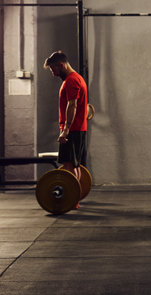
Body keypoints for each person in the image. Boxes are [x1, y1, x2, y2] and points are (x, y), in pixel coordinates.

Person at [44, 51, 88, 208]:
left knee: (69, 165)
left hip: (72, 130)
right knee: (74, 165)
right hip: (76, 129)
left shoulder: (71, 80)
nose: (53, 74)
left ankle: (72, 200)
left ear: (61, 65)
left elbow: (72, 105)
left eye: (53, 69)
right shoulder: (77, 78)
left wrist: (65, 130)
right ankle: (75, 197)